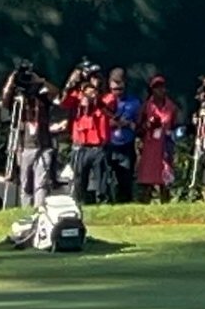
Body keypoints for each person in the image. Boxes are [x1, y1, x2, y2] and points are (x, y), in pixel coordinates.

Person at [0, 64, 56, 208]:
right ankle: (26, 210)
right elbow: (5, 101)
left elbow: (56, 94)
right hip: (25, 146)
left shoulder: (43, 99)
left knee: (41, 182)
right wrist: (12, 79)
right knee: (25, 183)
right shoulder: (18, 101)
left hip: (43, 145)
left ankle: (39, 208)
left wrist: (40, 80)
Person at [62, 64, 112, 205]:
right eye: (90, 78)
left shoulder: (107, 97)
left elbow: (108, 107)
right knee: (79, 181)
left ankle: (104, 205)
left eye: (96, 77)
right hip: (80, 146)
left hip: (99, 147)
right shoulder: (77, 97)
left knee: (102, 182)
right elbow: (64, 101)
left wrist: (94, 93)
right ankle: (78, 205)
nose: (93, 81)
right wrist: (72, 83)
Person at [137, 75, 179, 202]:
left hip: (165, 146)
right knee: (147, 179)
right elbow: (138, 128)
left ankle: (165, 204)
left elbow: (176, 126)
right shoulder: (146, 107)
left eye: (161, 87)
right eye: (156, 88)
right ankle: (145, 204)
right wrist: (148, 125)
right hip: (150, 147)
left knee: (165, 178)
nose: (159, 90)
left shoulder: (171, 107)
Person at [102, 69, 139, 204]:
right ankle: (109, 202)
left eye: (120, 89)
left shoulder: (134, 102)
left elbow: (139, 124)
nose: (117, 92)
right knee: (108, 177)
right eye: (114, 89)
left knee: (126, 177)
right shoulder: (104, 101)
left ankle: (126, 203)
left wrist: (128, 123)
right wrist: (109, 123)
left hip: (127, 144)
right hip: (109, 144)